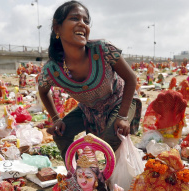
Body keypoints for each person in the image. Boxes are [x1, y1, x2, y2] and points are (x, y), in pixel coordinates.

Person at [38, 0, 141, 161]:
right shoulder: (52, 69)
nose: (82, 24)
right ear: (57, 28)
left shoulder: (103, 49)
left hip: (120, 101)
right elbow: (43, 91)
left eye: (86, 21)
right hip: (90, 109)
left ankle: (105, 182)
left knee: (111, 138)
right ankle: (76, 176)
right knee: (60, 135)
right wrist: (56, 119)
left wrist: (122, 116)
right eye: (74, 18)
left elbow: (131, 78)